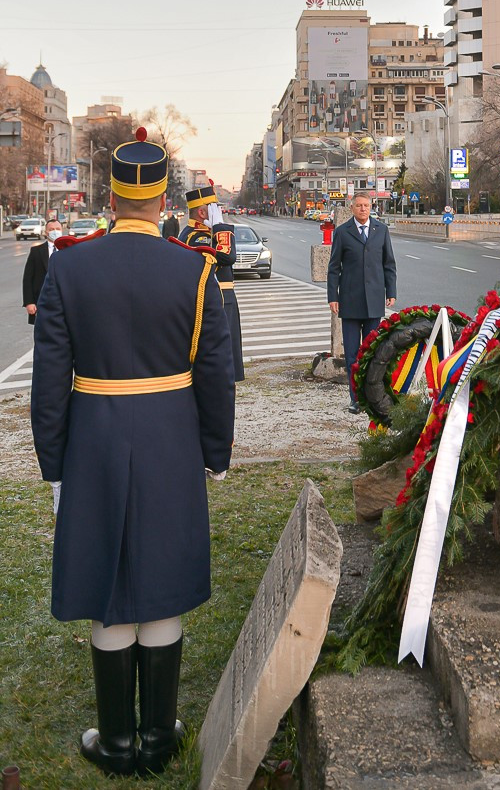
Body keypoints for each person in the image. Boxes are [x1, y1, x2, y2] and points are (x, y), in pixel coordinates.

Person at [30, 128, 235, 777]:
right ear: (162, 196)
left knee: (110, 585)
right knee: (160, 580)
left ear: (113, 195)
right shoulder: (196, 270)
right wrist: (215, 451)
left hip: (94, 436)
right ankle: (156, 737)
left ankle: (116, 741)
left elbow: (48, 383)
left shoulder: (68, 266)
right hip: (171, 438)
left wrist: (54, 468)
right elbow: (214, 374)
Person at [327, 189, 397, 413]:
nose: (363, 209)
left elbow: (389, 263)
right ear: (352, 208)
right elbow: (334, 268)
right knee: (352, 354)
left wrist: (391, 291)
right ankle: (355, 398)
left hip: (375, 300)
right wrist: (333, 297)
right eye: (359, 206)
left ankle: (372, 398)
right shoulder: (342, 232)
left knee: (372, 353)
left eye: (366, 206)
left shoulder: (381, 230)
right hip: (350, 301)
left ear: (371, 207)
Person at [180, 182, 244, 381]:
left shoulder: (205, 234)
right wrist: (220, 228)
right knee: (220, 366)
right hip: (215, 301)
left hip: (222, 299)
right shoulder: (194, 237)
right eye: (213, 208)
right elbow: (227, 256)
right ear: (201, 212)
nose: (218, 211)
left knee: (228, 364)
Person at [22, 217, 62, 326]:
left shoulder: (69, 250)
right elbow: (28, 278)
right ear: (46, 232)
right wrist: (29, 302)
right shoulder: (36, 251)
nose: (55, 232)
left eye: (58, 229)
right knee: (43, 333)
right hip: (42, 301)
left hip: (63, 301)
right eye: (51, 229)